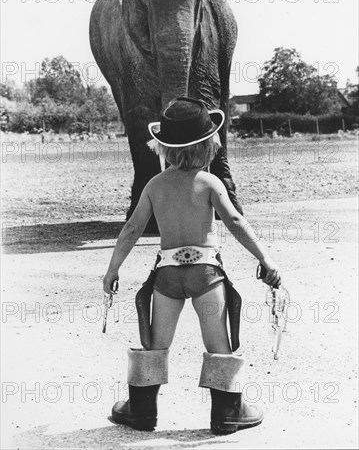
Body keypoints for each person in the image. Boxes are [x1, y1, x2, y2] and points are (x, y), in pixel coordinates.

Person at [103, 97, 281, 434]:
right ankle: (228, 411)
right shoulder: (210, 183)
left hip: (166, 275)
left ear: (164, 148)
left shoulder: (154, 186)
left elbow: (131, 229)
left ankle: (141, 409)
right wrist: (265, 258)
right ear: (208, 145)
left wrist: (112, 270)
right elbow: (236, 222)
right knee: (218, 345)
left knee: (156, 344)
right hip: (206, 274)